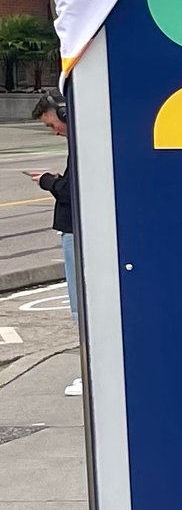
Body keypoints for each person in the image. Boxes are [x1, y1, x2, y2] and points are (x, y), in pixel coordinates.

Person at [24, 91, 77, 397]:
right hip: (73, 230)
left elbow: (71, 192)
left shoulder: (81, 144)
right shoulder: (80, 144)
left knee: (78, 306)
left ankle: (89, 369)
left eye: (51, 125)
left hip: (73, 230)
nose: (54, 130)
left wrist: (48, 181)